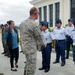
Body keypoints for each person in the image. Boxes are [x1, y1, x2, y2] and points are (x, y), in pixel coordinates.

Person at [20, 7, 45, 75]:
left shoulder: (22, 23)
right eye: (38, 13)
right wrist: (44, 44)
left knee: (28, 64)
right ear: (35, 13)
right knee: (31, 67)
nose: (38, 15)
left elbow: (21, 36)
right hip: (31, 49)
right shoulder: (34, 24)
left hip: (24, 48)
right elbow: (39, 36)